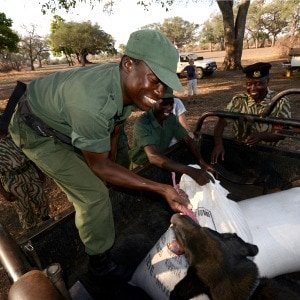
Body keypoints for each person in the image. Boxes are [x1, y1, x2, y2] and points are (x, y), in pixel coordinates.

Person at [8, 29, 209, 282]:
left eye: (165, 84)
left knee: (109, 172)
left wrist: (110, 166)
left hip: (65, 120)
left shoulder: (124, 87)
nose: (160, 92)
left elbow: (113, 128)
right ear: (128, 64)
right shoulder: (92, 102)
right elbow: (100, 165)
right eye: (155, 80)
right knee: (93, 195)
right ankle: (99, 266)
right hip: (36, 131)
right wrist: (161, 188)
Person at [211, 62, 291, 165]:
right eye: (249, 84)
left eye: (259, 84)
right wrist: (218, 144)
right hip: (240, 153)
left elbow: (283, 132)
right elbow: (222, 122)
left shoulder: (280, 101)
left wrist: (261, 136)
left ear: (267, 81)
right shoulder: (239, 100)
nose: (253, 89)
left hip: (268, 155)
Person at [128, 90, 215, 184]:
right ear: (153, 103)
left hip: (161, 162)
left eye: (171, 104)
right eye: (164, 104)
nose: (169, 108)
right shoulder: (143, 123)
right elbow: (153, 156)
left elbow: (188, 140)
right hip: (142, 168)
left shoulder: (171, 118)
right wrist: (189, 170)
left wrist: (201, 161)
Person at [0, 126, 50, 230]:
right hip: (11, 178)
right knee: (24, 207)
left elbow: (28, 152)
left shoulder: (13, 134)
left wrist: (39, 170)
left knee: (41, 199)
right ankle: (32, 231)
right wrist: (4, 192)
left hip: (29, 170)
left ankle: (48, 224)